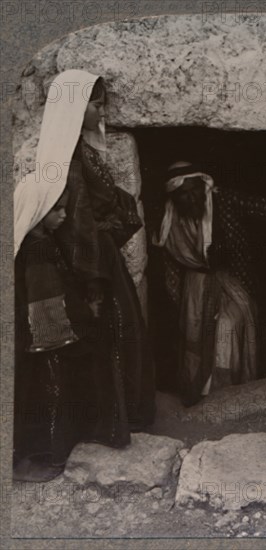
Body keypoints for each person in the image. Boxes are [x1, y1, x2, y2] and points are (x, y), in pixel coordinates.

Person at [13, 69, 155, 481]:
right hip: (92, 265)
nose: (101, 111)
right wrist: (93, 281)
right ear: (76, 110)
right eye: (95, 104)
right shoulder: (70, 164)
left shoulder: (79, 154)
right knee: (105, 338)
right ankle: (105, 421)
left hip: (99, 257)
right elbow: (78, 227)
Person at [153, 161, 266, 406]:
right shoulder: (168, 221)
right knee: (195, 336)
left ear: (204, 186)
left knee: (229, 326)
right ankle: (201, 393)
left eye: (194, 190)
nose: (190, 198)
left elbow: (255, 205)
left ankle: (228, 391)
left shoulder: (223, 201)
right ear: (174, 198)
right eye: (183, 195)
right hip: (194, 288)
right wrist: (179, 303)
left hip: (232, 280)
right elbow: (170, 267)